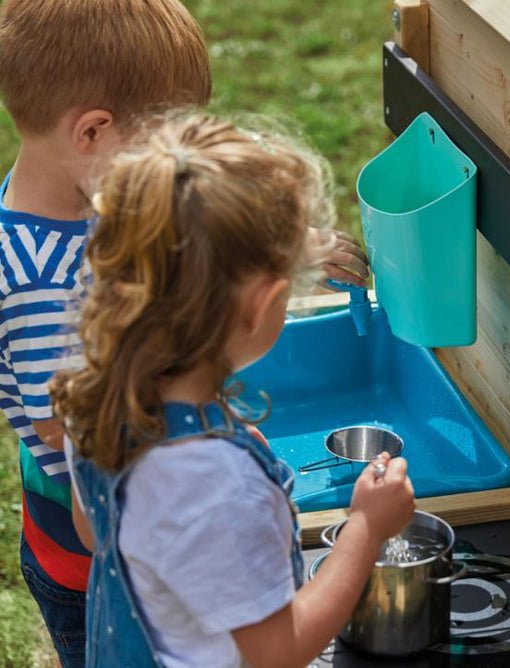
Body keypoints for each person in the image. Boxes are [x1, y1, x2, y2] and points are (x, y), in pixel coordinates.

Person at [0, 0, 367, 664]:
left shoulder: (84, 207)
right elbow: (74, 418)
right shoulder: (44, 284)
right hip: (95, 564)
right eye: (158, 138)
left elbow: (176, 248)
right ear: (93, 131)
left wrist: (283, 250)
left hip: (112, 527)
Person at [50, 113, 415, 668]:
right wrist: (365, 528)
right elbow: (277, 650)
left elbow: (93, 528)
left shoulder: (97, 392)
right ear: (262, 304)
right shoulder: (216, 481)